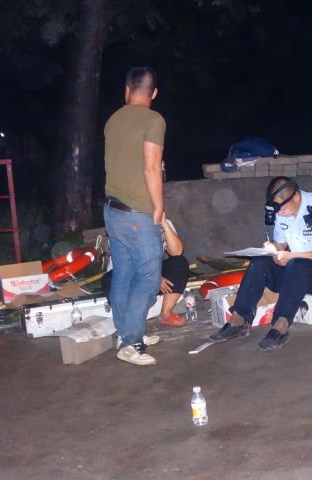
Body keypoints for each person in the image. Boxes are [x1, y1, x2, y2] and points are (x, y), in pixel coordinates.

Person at [209, 177, 312, 352]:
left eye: (281, 208)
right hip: (296, 275)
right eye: (276, 208)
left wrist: (291, 256)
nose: (279, 213)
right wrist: (273, 248)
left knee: (297, 264)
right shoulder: (282, 212)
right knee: (260, 262)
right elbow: (281, 244)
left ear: (295, 197)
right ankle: (239, 319)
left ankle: (280, 326)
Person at [103, 66, 165, 366]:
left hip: (112, 210)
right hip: (138, 214)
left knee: (123, 275)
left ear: (127, 90)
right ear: (154, 93)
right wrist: (159, 207)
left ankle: (128, 331)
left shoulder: (113, 119)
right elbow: (151, 168)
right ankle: (130, 343)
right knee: (149, 279)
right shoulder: (154, 120)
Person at [158, 214, 190, 327]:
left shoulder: (161, 221)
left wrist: (164, 223)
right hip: (126, 273)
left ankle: (166, 313)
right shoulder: (127, 220)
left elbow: (177, 252)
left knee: (179, 262)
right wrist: (153, 275)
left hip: (153, 269)